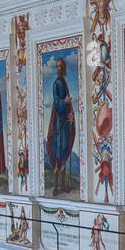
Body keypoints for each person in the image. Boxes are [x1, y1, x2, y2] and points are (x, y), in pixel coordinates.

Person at [46, 56, 75, 195]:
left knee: (64, 152)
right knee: (58, 153)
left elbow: (67, 103)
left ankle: (63, 185)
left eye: (60, 66)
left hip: (64, 123)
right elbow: (57, 103)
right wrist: (66, 101)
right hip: (58, 123)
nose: (59, 68)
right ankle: (56, 187)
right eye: (57, 66)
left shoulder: (64, 81)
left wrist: (70, 115)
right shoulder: (56, 83)